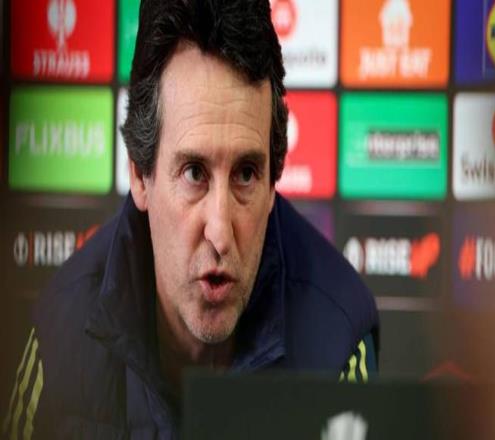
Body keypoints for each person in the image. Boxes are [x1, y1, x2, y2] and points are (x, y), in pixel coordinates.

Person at [3, 0, 378, 438]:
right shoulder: (59, 337)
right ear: (140, 176)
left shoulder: (336, 343)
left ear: (273, 181)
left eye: (245, 174)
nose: (220, 232)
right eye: (194, 173)